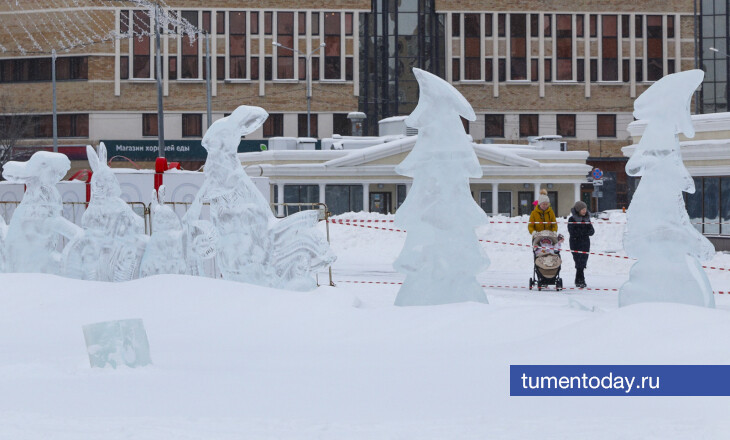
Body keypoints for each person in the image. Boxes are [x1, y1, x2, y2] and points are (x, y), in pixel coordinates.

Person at [567, 200, 595, 288]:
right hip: (575, 242)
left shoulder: (587, 219)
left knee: (583, 260)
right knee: (578, 260)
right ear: (578, 210)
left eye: (585, 209)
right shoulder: (571, 219)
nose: (584, 211)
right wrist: (584, 232)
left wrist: (584, 232)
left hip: (585, 243)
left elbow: (592, 231)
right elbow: (572, 231)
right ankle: (580, 279)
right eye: (582, 209)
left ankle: (579, 279)